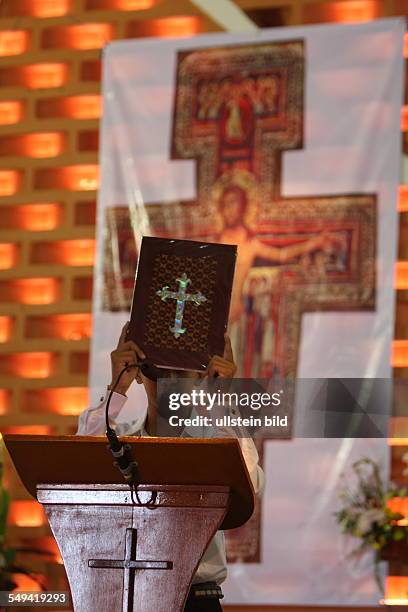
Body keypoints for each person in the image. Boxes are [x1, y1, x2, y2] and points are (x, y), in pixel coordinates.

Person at [78, 322, 264, 611]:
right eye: (157, 369)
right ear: (140, 374)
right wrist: (117, 387)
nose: (169, 382)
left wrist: (219, 400)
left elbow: (249, 484)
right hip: (125, 596)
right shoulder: (120, 441)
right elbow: (75, 472)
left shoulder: (214, 442)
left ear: (200, 375)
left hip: (196, 599)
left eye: (181, 370)